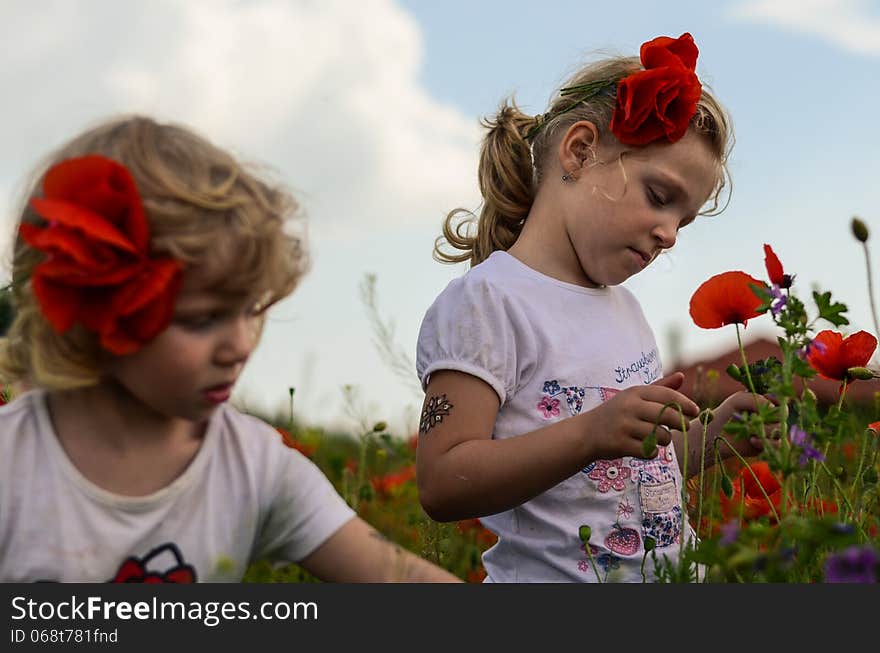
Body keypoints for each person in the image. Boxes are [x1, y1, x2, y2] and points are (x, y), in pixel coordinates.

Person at [0, 115, 459, 583]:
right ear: (87, 313)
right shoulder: (13, 461)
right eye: (202, 320)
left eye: (251, 310)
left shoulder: (254, 466)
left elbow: (398, 577)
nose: (239, 346)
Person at [415, 33, 771, 582]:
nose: (670, 235)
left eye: (684, 219)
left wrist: (719, 435)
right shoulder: (488, 302)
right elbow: (441, 482)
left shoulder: (626, 310)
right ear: (580, 151)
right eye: (659, 197)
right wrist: (589, 433)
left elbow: (637, 469)